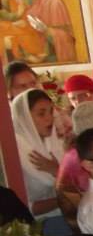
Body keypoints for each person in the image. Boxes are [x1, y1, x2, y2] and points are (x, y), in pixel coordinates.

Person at [10, 88, 63, 221]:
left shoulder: (54, 144)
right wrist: (64, 198)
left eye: (51, 111)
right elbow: (23, 206)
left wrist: (57, 170)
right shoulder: (17, 151)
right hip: (39, 223)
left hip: (67, 214)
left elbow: (79, 185)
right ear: (24, 118)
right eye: (41, 114)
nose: (49, 118)